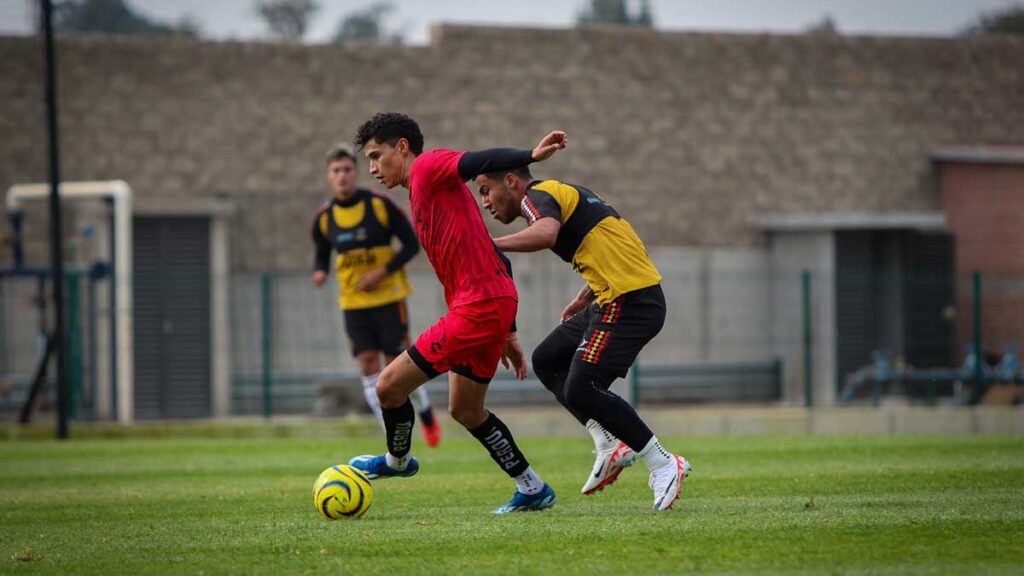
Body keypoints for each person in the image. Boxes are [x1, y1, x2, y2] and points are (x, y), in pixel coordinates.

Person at [347, 112, 565, 514]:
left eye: (377, 156)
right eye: (369, 161)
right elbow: (494, 254)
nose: (373, 169)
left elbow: (478, 160)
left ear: (402, 148)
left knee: (387, 387)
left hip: (478, 308)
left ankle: (397, 461)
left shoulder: (428, 168)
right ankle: (532, 487)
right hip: (493, 304)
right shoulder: (423, 194)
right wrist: (510, 332)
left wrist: (530, 155)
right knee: (466, 409)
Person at [474, 165, 692, 511]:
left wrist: (489, 244)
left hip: (631, 302)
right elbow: (614, 246)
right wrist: (586, 295)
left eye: (486, 190)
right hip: (612, 297)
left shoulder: (535, 196)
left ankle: (662, 462)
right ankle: (608, 444)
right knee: (547, 359)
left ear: (511, 181)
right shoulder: (562, 193)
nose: (485, 201)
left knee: (581, 387)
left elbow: (545, 234)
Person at [312, 143, 442, 447]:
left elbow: (411, 244)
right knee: (368, 363)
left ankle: (425, 413)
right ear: (329, 177)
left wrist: (381, 273)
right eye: (335, 171)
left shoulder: (380, 206)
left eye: (346, 169)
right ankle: (391, 430)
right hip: (353, 303)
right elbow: (322, 254)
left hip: (388, 298)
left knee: (398, 365)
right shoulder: (324, 218)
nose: (342, 176)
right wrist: (319, 271)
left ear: (356, 173)